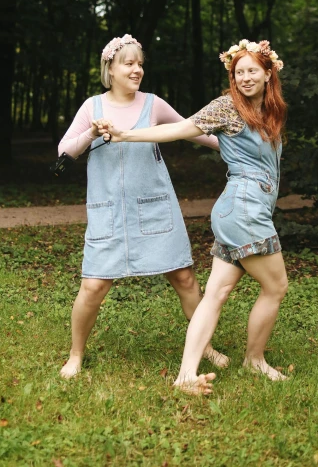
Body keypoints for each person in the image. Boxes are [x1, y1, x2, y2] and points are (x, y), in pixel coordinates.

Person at [98, 39, 289, 394]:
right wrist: (126, 134)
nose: (245, 78)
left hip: (241, 209)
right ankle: (254, 360)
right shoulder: (227, 108)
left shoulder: (270, 110)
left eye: (251, 71)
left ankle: (186, 375)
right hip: (244, 211)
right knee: (276, 286)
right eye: (238, 72)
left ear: (268, 73)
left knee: (215, 292)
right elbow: (180, 129)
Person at [58, 33, 228, 379]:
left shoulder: (154, 104)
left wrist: (242, 143)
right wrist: (90, 133)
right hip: (109, 213)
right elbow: (64, 152)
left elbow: (198, 132)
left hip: (155, 209)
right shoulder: (93, 106)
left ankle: (205, 347)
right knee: (93, 286)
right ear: (111, 68)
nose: (137, 70)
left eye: (140, 64)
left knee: (184, 277)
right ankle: (76, 354)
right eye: (129, 63)